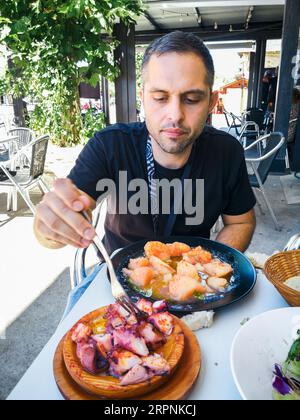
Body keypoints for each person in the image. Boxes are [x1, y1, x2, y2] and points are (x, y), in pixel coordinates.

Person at [34, 31, 256, 257]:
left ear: (211, 102)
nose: (175, 115)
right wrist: (51, 228)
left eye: (191, 99)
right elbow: (66, 215)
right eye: (160, 97)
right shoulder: (110, 145)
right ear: (143, 98)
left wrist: (212, 265)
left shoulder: (225, 151)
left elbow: (241, 223)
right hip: (119, 278)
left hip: (193, 279)